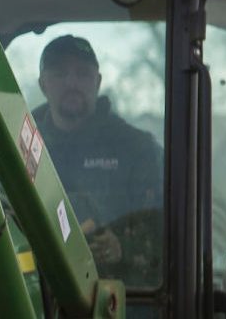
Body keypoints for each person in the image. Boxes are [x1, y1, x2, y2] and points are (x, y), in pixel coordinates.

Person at [33, 35, 163, 284]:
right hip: (37, 296)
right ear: (43, 85)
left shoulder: (137, 150)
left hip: (121, 299)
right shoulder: (21, 148)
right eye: (60, 74)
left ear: (98, 81)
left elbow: (171, 233)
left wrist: (121, 246)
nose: (72, 83)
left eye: (83, 74)